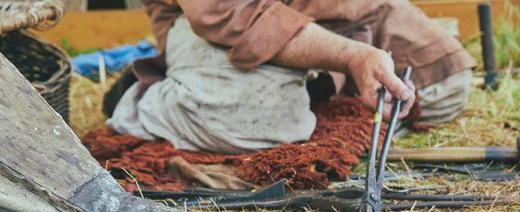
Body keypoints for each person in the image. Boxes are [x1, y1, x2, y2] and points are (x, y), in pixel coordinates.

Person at [107, 0, 475, 154]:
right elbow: (236, 14)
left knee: (446, 81)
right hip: (224, 21)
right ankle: (148, 98)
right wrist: (352, 56)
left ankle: (317, 90)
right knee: (273, 118)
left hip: (334, 13)